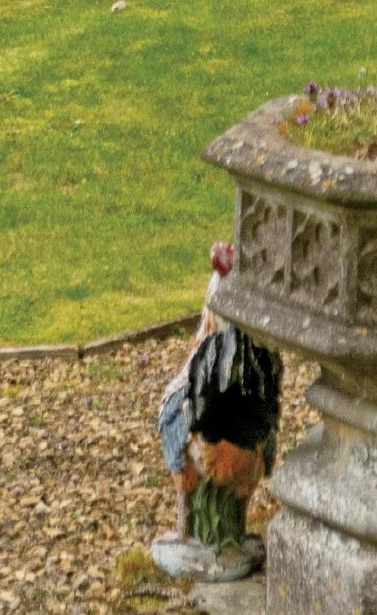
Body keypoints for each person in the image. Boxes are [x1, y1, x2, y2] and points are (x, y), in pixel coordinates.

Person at [153, 241, 284, 581]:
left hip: (205, 445)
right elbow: (267, 447)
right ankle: (234, 534)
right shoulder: (254, 366)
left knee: (172, 406)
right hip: (248, 450)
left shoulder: (199, 370)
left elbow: (178, 455)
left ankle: (185, 532)